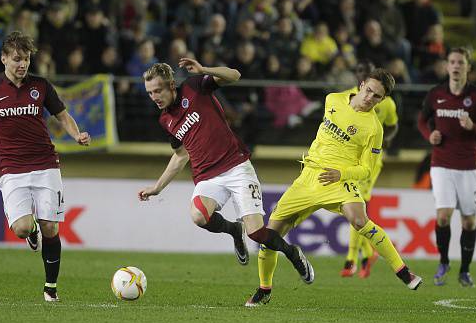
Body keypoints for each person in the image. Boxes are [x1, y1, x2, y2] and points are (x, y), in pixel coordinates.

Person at [246, 68, 422, 307]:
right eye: (369, 90)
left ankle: (404, 272)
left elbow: (366, 170)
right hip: (308, 177)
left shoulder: (374, 129)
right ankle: (264, 289)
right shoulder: (333, 99)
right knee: (269, 237)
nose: (370, 98)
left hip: (340, 181)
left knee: (359, 220)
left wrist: (342, 173)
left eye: (377, 96)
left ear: (382, 100)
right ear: (361, 85)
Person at [137, 59, 314, 285]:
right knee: (199, 216)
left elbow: (235, 75)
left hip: (237, 167)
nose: (154, 97)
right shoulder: (165, 120)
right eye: (150, 93)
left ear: (171, 85)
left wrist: (204, 70)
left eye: (158, 90)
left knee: (257, 234)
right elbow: (181, 155)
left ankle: (293, 253)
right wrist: (157, 187)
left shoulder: (194, 87)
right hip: (207, 177)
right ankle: (233, 230)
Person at [0, 31, 91, 302]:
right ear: (3, 59)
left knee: (51, 226)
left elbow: (62, 115)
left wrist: (76, 134)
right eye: (16, 59)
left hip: (46, 164)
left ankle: (51, 289)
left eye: (26, 59)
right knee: (22, 228)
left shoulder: (41, 86)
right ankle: (31, 232)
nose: (22, 64)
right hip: (11, 169)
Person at [417, 47, 476, 287]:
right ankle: (443, 262)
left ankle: (465, 270)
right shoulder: (436, 94)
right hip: (441, 164)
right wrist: (430, 135)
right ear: (447, 66)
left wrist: (473, 126)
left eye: (461, 62)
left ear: (468, 67)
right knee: (443, 217)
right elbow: (421, 120)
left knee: (469, 222)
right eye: (452, 62)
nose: (456, 66)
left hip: (469, 167)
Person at [339, 60, 399, 279]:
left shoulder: (387, 104)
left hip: (369, 164)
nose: (363, 74)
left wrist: (384, 142)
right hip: (347, 162)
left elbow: (393, 126)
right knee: (354, 211)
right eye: (361, 71)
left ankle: (351, 259)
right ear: (359, 77)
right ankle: (367, 253)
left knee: (357, 205)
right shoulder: (345, 98)